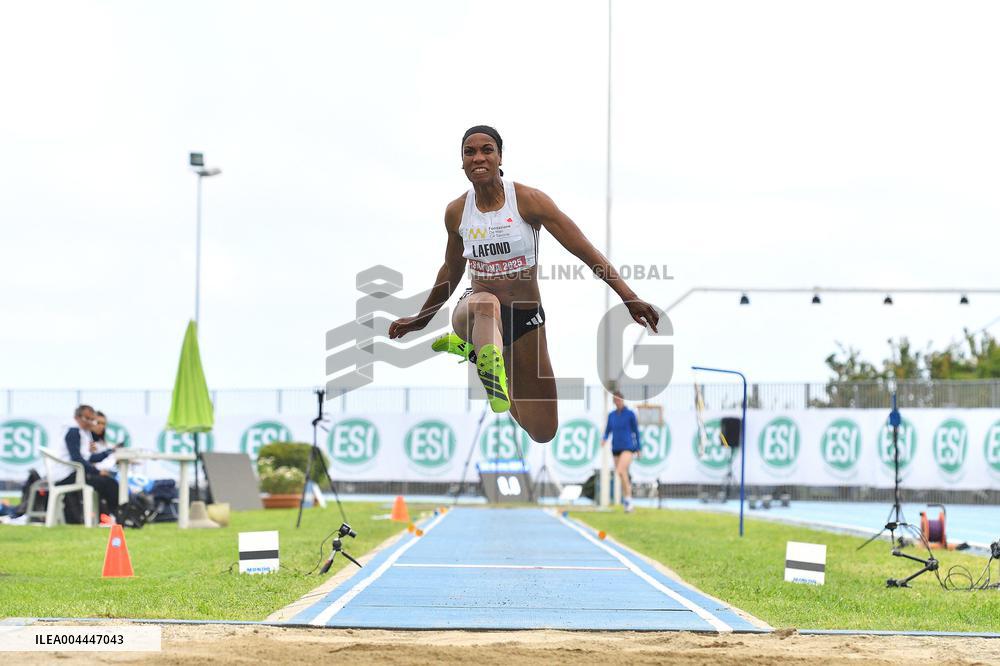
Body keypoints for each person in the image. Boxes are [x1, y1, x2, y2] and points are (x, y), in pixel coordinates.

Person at [388, 125, 659, 443]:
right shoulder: (457, 213)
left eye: (487, 150)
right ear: (461, 162)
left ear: (500, 157)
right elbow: (450, 271)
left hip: (526, 318)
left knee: (542, 430)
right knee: (487, 302)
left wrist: (629, 297)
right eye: (469, 152)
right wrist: (420, 321)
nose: (478, 157)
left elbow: (583, 249)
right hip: (476, 308)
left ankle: (481, 356)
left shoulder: (529, 201)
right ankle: (485, 352)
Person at [54, 405, 119, 523]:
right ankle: (118, 516)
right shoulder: (73, 431)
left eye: (92, 419)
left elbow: (88, 458)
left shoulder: (82, 432)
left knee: (107, 481)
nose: (90, 422)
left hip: (75, 472)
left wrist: (109, 452)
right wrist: (98, 472)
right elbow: (77, 459)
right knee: (109, 483)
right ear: (77, 417)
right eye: (87, 419)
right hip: (66, 475)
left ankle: (112, 515)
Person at [602, 390, 640, 513]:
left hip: (628, 447)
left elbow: (636, 432)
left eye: (619, 400)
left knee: (620, 470)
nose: (617, 402)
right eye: (615, 400)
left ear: (622, 400)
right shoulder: (612, 415)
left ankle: (627, 500)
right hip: (616, 448)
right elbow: (608, 431)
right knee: (622, 474)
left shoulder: (630, 414)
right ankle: (628, 501)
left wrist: (638, 447)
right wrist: (604, 439)